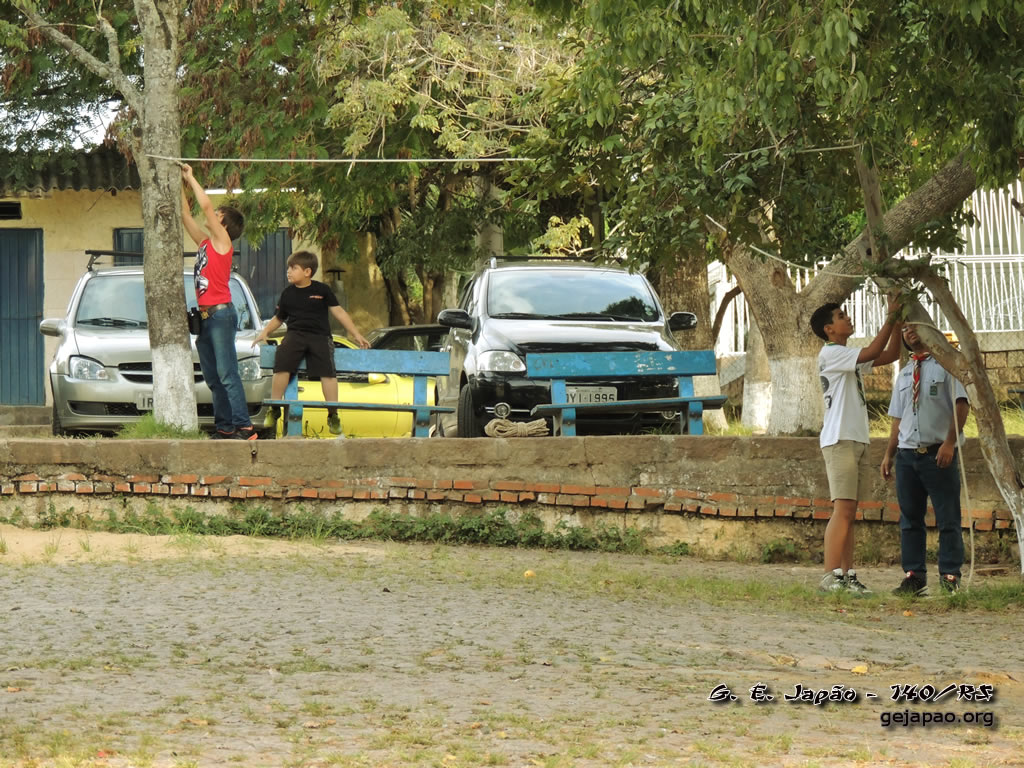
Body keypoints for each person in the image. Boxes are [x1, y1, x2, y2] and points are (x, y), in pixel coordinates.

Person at [809, 296, 903, 594]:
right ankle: (830, 576)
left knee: (850, 513)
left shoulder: (847, 355)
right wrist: (891, 315)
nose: (847, 318)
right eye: (841, 316)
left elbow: (891, 354)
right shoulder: (832, 353)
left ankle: (847, 575)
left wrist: (898, 321)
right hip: (840, 439)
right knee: (843, 510)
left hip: (856, 438)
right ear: (829, 329)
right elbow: (874, 350)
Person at [881, 323, 969, 595]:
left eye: (914, 326)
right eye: (904, 329)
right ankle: (914, 576)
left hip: (938, 453)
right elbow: (897, 419)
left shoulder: (947, 365)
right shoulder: (905, 373)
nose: (909, 332)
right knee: (910, 518)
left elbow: (961, 405)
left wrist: (950, 443)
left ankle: (950, 576)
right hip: (907, 455)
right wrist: (889, 454)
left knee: (948, 517)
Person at [253, 250, 370, 436]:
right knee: (281, 364)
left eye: (294, 268)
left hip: (320, 336)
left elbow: (339, 312)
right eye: (288, 268)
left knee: (328, 373)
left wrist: (355, 334)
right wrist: (265, 332)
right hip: (295, 335)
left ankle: (333, 415)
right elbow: (279, 318)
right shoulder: (287, 293)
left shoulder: (322, 290)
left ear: (307, 272)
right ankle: (274, 407)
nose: (288, 271)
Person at [181, 164, 256, 440]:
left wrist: (191, 177)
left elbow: (205, 206)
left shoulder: (223, 241)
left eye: (218, 215)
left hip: (221, 315)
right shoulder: (205, 243)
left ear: (223, 223)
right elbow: (185, 215)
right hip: (204, 318)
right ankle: (224, 427)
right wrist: (177, 183)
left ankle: (244, 426)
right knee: (213, 377)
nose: (213, 216)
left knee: (227, 373)